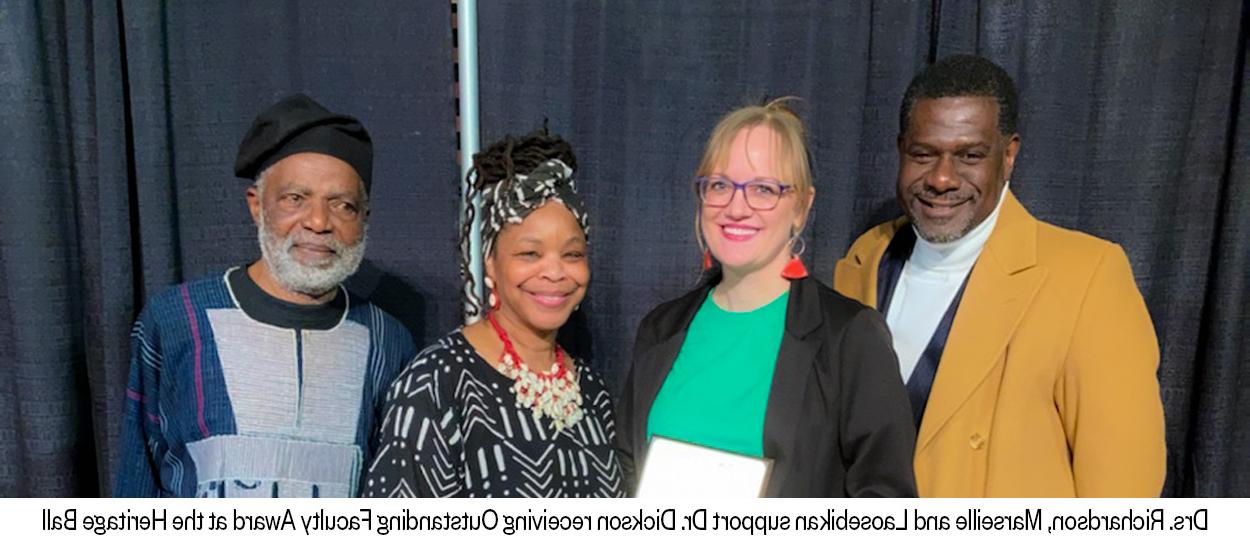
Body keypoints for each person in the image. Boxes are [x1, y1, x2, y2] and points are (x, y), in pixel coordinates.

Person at [833, 55, 1166, 497]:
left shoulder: (1087, 277)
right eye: (924, 154)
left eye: (970, 155)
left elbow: (1124, 496)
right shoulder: (866, 258)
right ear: (900, 151)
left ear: (1008, 156)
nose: (942, 178)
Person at [114, 93, 415, 497]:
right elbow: (136, 480)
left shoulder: (388, 341)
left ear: (364, 219)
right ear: (257, 205)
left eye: (342, 205)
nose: (318, 222)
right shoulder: (176, 320)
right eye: (296, 199)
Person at [616, 99, 917, 497]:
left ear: (802, 206)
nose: (736, 208)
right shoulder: (660, 329)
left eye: (763, 189)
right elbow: (624, 472)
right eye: (720, 185)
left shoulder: (849, 338)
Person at [363, 129, 624, 497]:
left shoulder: (591, 391)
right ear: (491, 264)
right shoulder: (436, 384)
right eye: (529, 254)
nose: (554, 272)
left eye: (572, 254)